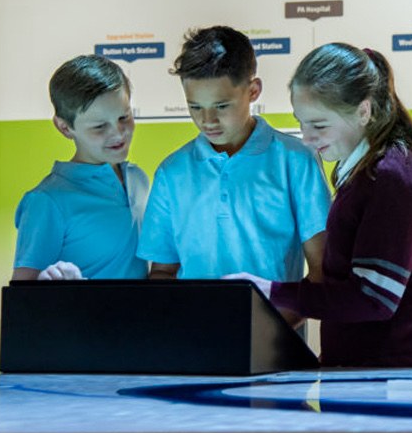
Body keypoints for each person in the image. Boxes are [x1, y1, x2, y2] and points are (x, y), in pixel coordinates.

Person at [258, 44, 412, 369]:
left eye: (319, 126)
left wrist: (272, 290)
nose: (307, 139)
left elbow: (373, 299)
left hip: (393, 385)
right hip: (369, 375)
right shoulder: (367, 173)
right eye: (302, 123)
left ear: (363, 112)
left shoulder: (392, 178)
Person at [136, 27, 330, 287]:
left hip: (278, 326)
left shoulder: (297, 160)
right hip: (194, 327)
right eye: (195, 107)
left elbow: (321, 271)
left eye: (221, 106)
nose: (208, 120)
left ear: (253, 91)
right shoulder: (171, 172)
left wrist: (273, 326)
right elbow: (163, 272)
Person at [10, 55, 148, 282]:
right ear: (64, 127)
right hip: (83, 318)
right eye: (99, 126)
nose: (118, 132)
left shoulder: (138, 178)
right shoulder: (46, 201)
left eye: (124, 116)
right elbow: (22, 296)